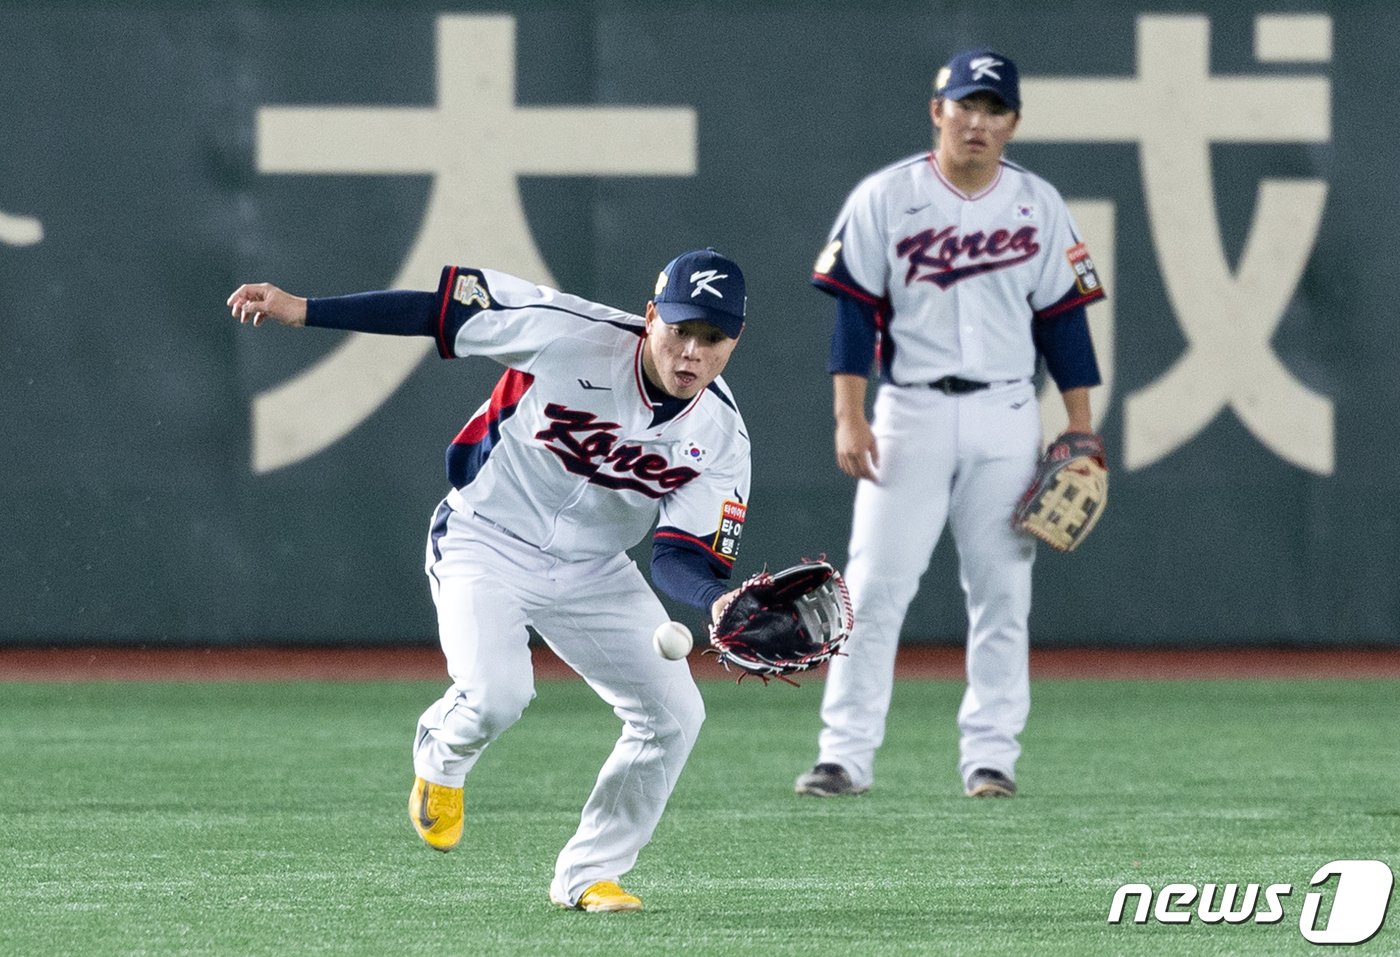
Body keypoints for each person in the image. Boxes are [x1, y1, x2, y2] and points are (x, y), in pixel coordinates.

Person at [227, 248, 751, 911]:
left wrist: (718, 598)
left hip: (592, 569)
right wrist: (305, 310)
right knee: (499, 692)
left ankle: (588, 874)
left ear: (734, 340)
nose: (691, 353)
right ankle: (441, 756)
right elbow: (438, 311)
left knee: (677, 715)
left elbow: (679, 554)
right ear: (651, 318)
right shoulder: (568, 333)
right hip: (486, 536)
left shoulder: (722, 435)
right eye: (679, 329)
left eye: (713, 337)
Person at [794, 49, 1105, 799]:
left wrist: (1081, 431)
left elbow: (1063, 322)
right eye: (965, 105)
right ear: (937, 111)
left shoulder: (1037, 203)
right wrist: (849, 412)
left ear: (1014, 123)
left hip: (1004, 411)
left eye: (994, 109)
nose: (978, 121)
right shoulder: (885, 197)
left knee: (1002, 591)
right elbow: (852, 311)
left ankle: (991, 757)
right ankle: (844, 754)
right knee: (871, 588)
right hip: (910, 411)